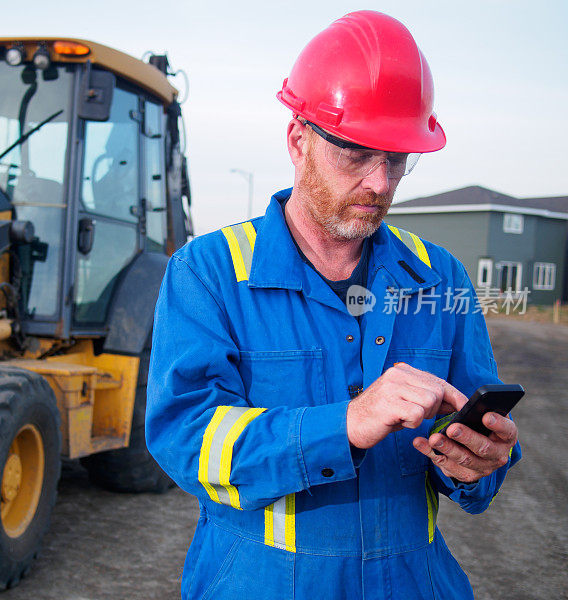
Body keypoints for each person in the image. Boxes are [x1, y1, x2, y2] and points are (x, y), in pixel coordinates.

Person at [145, 10, 521, 600]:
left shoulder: (438, 276)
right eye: (357, 155)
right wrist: (343, 425)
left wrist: (480, 460)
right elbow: (188, 439)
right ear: (298, 140)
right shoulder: (211, 274)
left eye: (397, 158)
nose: (380, 182)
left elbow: (476, 434)